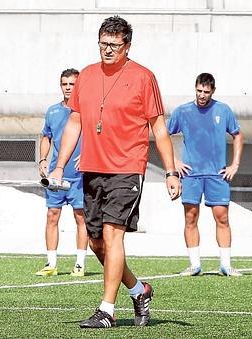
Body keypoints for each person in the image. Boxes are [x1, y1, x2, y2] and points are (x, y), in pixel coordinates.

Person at [48, 16, 181, 328]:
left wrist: (171, 171)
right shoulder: (88, 76)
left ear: (127, 45)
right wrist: (57, 165)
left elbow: (159, 128)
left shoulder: (143, 77)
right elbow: (75, 123)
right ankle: (139, 289)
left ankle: (107, 310)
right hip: (91, 169)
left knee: (112, 233)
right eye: (103, 43)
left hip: (127, 168)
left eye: (114, 45)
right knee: (95, 242)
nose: (107, 50)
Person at [167, 73, 244, 277]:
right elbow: (163, 136)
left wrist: (234, 164)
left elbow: (237, 135)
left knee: (223, 218)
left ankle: (226, 265)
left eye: (206, 92)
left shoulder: (223, 110)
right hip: (191, 175)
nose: (202, 95)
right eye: (199, 91)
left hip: (217, 175)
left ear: (213, 91)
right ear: (195, 88)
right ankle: (194, 265)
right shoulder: (182, 111)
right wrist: (174, 162)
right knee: (190, 218)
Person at [35, 68, 89, 277]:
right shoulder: (53, 111)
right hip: (57, 175)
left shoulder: (87, 110)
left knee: (80, 217)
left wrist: (87, 154)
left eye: (72, 84)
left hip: (80, 175)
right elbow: (46, 136)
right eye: (64, 84)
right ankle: (51, 264)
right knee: (51, 215)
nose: (68, 88)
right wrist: (42, 160)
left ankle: (79, 264)